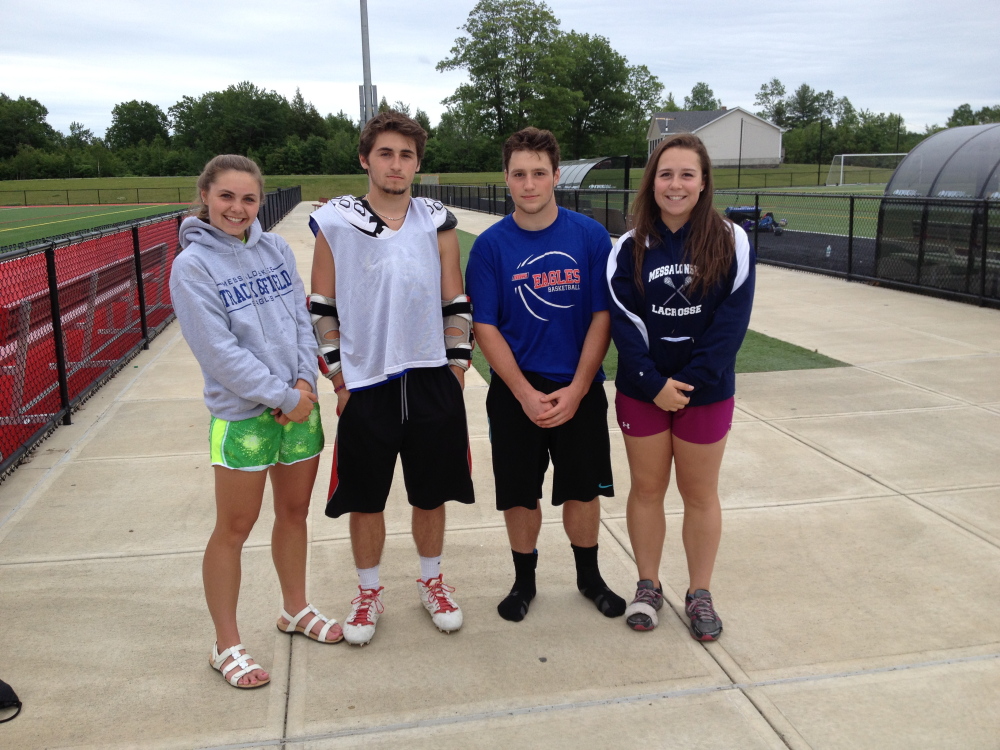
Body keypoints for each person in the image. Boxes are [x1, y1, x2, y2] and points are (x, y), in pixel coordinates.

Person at [169, 155, 341, 690]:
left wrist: (304, 384)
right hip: (243, 416)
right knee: (234, 529)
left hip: (298, 407)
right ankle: (226, 644)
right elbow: (216, 350)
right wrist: (279, 394)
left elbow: (297, 316)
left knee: (293, 514)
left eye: (247, 199)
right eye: (226, 197)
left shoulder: (275, 248)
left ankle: (294, 609)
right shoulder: (193, 266)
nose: (237, 209)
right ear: (206, 196)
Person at [309, 111, 475, 646]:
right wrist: (339, 380)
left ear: (418, 163)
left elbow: (455, 298)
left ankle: (432, 581)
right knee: (367, 497)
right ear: (365, 159)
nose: (396, 164)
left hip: (429, 374)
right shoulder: (335, 221)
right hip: (367, 379)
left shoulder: (436, 219)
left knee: (431, 493)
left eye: (406, 155)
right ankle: (369, 590)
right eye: (385, 153)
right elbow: (321, 307)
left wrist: (456, 367)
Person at [466, 127, 626, 623]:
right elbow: (485, 326)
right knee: (519, 491)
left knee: (583, 489)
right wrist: (523, 393)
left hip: (579, 384)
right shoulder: (491, 246)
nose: (529, 183)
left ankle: (589, 577)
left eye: (539, 173)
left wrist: (578, 389)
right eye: (519, 174)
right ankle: (524, 582)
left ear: (557, 175)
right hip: (517, 388)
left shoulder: (590, 236)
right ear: (506, 179)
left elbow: (604, 316)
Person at [606, 133, 755, 639]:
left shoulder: (732, 239)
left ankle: (699, 593)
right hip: (642, 390)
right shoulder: (627, 247)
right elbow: (622, 322)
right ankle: (647, 586)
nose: (675, 184)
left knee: (699, 493)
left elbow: (732, 322)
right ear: (652, 182)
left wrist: (686, 384)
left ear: (704, 181)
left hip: (705, 392)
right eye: (665, 174)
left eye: (687, 174)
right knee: (646, 490)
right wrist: (653, 384)